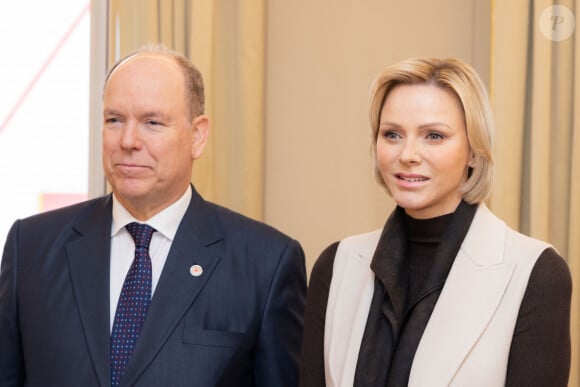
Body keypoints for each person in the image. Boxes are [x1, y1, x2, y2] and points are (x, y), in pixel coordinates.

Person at [0, 44, 306, 387]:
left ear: (198, 135)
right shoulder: (30, 247)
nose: (128, 140)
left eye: (152, 122)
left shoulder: (265, 264)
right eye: (114, 120)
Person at [299, 57, 571, 387]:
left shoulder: (536, 273)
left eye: (434, 136)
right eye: (393, 134)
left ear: (473, 151)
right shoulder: (336, 265)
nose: (408, 154)